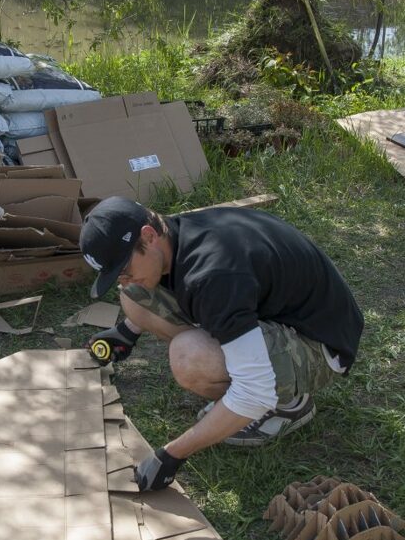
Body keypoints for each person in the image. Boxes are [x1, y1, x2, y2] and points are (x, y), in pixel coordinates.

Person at [80, 196, 363, 492]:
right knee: (134, 298)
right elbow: (148, 288)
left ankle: (288, 405)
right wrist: (128, 331)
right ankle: (248, 375)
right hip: (283, 312)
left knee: (190, 357)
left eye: (124, 270)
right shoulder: (174, 235)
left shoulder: (212, 274)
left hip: (320, 346)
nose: (124, 280)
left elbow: (254, 390)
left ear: (148, 236)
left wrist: (172, 454)